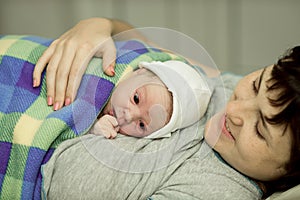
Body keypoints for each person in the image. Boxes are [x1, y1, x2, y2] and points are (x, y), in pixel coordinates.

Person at [35, 18, 300, 199]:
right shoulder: (226, 87)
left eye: (259, 130)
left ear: (289, 173)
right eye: (255, 85)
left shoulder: (219, 191)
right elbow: (143, 43)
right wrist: (97, 25)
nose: (234, 111)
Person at [89, 60, 211, 139]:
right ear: (138, 72)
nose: (129, 116)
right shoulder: (101, 72)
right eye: (136, 99)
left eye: (142, 125)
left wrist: (90, 126)